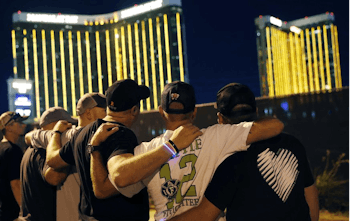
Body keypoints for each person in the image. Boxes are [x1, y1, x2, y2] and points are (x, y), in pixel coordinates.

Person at [89, 81, 285, 221]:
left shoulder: (146, 151)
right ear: (194, 112)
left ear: (161, 111)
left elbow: (106, 187)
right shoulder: (217, 136)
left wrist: (95, 149)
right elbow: (274, 127)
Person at [46, 79, 203, 220]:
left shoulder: (82, 133)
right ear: (134, 110)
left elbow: (52, 160)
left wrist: (56, 133)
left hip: (86, 216)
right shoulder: (121, 134)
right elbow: (107, 187)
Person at [169, 83, 319, 221]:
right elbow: (311, 198)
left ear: (220, 119)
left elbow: (205, 214)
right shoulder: (293, 143)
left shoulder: (231, 156)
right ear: (256, 111)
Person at [25, 93, 107, 221]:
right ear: (89, 113)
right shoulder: (93, 135)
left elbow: (29, 136)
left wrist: (55, 133)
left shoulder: (61, 137)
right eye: (104, 110)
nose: (108, 114)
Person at [20, 107, 77, 221]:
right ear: (57, 124)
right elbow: (54, 178)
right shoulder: (42, 150)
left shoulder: (32, 147)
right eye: (67, 124)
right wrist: (67, 155)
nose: (70, 127)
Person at [0, 111, 28, 221]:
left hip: (2, 211)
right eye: (19, 122)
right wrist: (24, 212)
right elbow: (15, 184)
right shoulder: (12, 151)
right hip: (13, 213)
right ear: (8, 127)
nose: (23, 125)